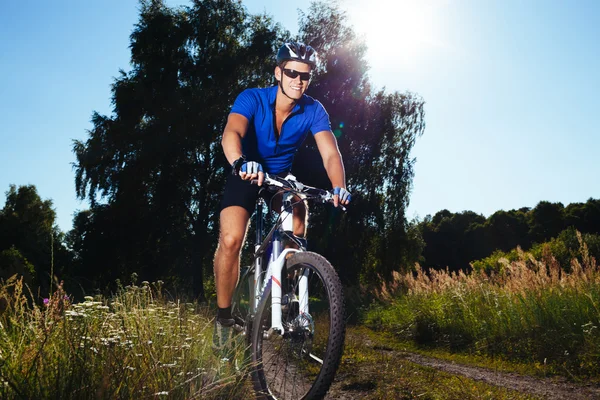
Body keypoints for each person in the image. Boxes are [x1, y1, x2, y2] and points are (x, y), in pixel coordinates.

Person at [212, 42, 351, 358]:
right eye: (291, 73)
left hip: (278, 179)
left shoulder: (314, 110)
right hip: (246, 172)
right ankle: (223, 320)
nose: (298, 81)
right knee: (231, 240)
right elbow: (231, 133)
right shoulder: (253, 98)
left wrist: (339, 186)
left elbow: (330, 152)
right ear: (278, 72)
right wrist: (239, 161)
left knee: (298, 210)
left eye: (305, 76)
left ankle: (286, 286)